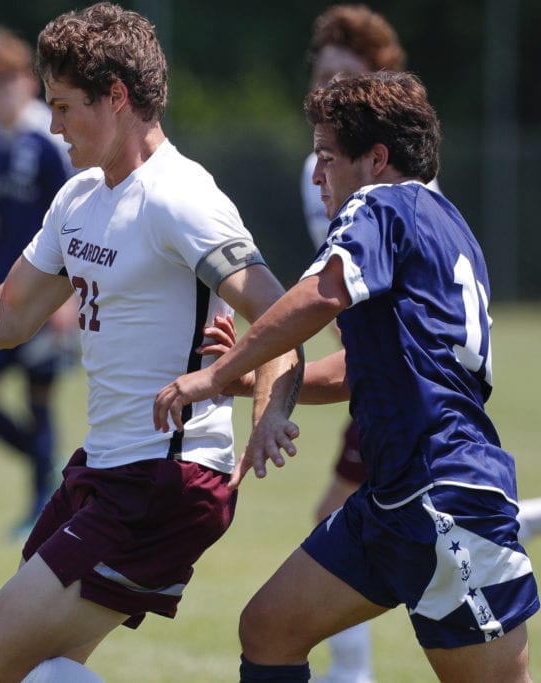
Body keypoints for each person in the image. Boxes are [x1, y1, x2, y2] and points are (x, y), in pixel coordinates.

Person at [0, 4, 302, 680]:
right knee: (36, 665)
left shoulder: (178, 197)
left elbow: (278, 308)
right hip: (105, 469)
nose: (52, 124)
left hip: (168, 476)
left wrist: (269, 403)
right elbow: (7, 313)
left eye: (65, 105)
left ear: (118, 97)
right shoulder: (78, 198)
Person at [153, 71, 539, 683]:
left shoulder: (378, 202)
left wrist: (216, 372)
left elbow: (322, 294)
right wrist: (248, 382)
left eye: (327, 158)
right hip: (394, 499)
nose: (316, 176)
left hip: (444, 496)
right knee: (269, 628)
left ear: (376, 159)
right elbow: (364, 372)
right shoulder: (446, 223)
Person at [300, 7, 412, 681]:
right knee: (403, 511)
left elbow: (335, 284)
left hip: (397, 367)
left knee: (342, 517)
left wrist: (250, 361)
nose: (330, 87)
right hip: (365, 361)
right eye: (321, 75)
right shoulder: (317, 162)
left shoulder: (392, 167)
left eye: (344, 75)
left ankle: (351, 675)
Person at [0, 24, 77, 538]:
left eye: (6, 80)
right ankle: (53, 475)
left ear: (29, 83)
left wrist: (67, 298)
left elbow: (77, 220)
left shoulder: (48, 141)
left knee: (37, 397)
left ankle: (41, 503)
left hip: (45, 294)